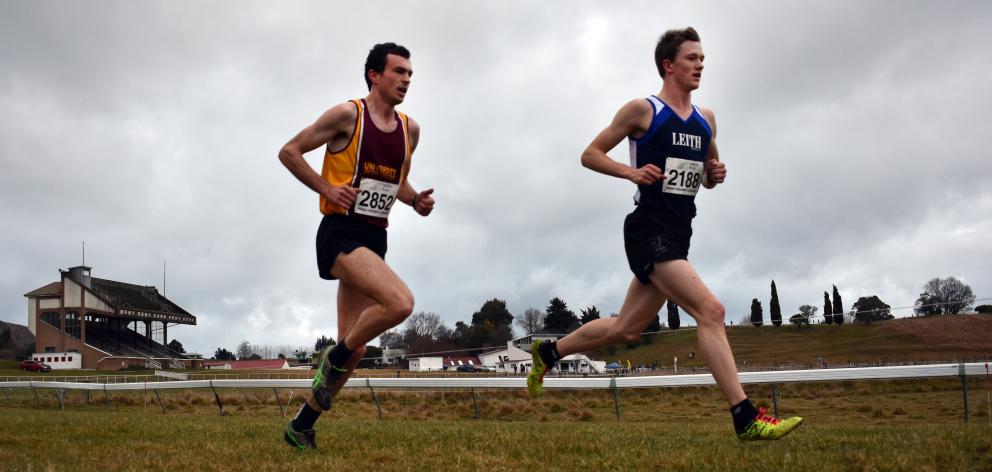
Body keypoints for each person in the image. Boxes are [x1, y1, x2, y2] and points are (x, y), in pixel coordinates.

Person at [527, 27, 802, 441]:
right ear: (668, 65)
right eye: (692, 59)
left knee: (627, 329)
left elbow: (708, 177)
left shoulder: (707, 120)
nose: (700, 65)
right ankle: (744, 416)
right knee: (711, 310)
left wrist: (716, 174)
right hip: (647, 230)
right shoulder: (643, 110)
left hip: (679, 232)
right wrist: (631, 172)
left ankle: (548, 352)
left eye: (703, 59)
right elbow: (590, 154)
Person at [278, 42, 435, 450]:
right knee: (400, 303)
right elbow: (289, 152)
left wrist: (415, 200)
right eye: (399, 72)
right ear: (374, 75)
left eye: (410, 74)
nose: (406, 80)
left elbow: (395, 182)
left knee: (357, 344)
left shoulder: (409, 130)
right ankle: (331, 359)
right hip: (339, 231)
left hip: (374, 237)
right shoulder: (348, 115)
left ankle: (301, 426)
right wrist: (328, 187)